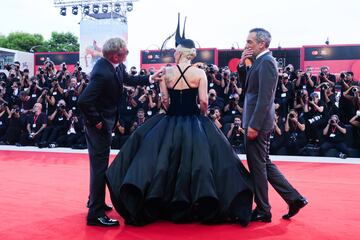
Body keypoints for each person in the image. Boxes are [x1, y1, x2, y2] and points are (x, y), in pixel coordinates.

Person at [106, 14, 253, 227]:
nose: (174, 53)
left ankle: (161, 204)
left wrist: (170, 105)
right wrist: (203, 115)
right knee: (200, 163)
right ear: (191, 54)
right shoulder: (199, 73)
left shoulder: (166, 72)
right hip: (194, 121)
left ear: (180, 52)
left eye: (175, 50)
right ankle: (198, 204)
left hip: (169, 121)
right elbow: (203, 102)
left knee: (162, 162)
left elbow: (164, 101)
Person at [77, 37, 162, 227]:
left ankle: (94, 201)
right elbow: (84, 101)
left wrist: (150, 78)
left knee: (98, 166)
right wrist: (97, 122)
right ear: (115, 55)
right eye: (125, 51)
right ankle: (95, 214)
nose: (128, 54)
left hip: (106, 121)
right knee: (99, 168)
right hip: (99, 125)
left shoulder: (115, 66)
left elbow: (129, 79)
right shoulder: (102, 72)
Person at [239, 28, 308, 223]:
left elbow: (265, 98)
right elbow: (247, 89)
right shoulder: (258, 61)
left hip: (257, 122)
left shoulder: (267, 62)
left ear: (262, 43)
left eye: (250, 41)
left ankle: (263, 210)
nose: (246, 45)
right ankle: (294, 199)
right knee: (263, 164)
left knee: (258, 166)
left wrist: (254, 125)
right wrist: (242, 66)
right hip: (255, 120)